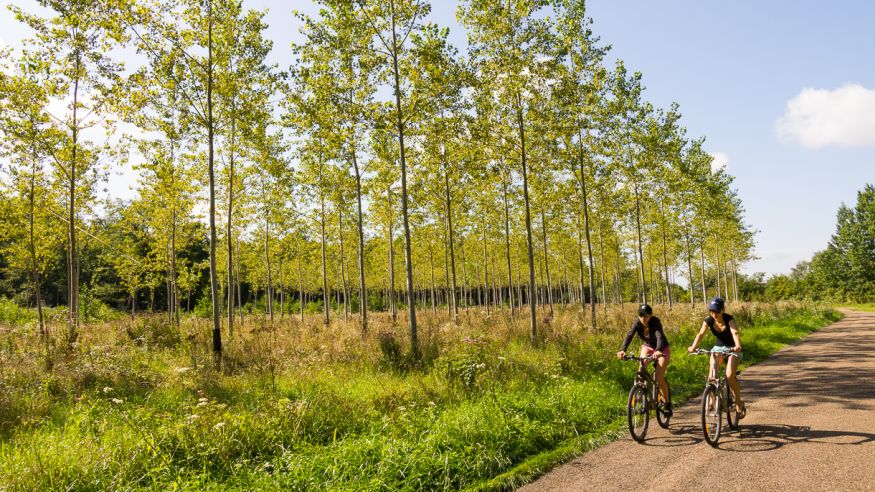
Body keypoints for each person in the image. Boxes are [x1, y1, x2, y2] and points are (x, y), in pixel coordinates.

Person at [687, 297, 746, 418]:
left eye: (717, 311)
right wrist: (693, 346)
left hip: (732, 348)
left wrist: (738, 345)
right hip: (718, 349)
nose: (714, 314)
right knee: (711, 377)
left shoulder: (729, 319)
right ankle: (711, 402)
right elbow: (701, 333)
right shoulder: (708, 320)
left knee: (729, 375)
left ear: (723, 310)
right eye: (712, 311)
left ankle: (739, 402)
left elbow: (735, 332)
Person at [617, 304, 672, 415]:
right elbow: (629, 335)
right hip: (647, 347)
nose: (643, 318)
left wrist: (658, 350)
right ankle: (640, 398)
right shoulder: (637, 323)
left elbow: (659, 335)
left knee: (658, 377)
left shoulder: (655, 321)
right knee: (641, 369)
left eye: (646, 316)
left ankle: (667, 404)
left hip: (662, 349)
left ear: (651, 315)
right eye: (641, 315)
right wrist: (623, 350)